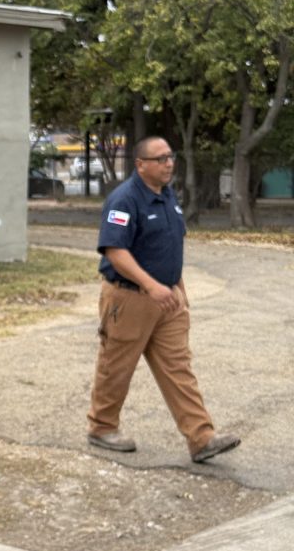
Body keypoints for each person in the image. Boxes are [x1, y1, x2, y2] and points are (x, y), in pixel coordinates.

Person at [86, 135, 240, 463]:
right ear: (140, 164)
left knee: (179, 368)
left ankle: (201, 438)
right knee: (117, 366)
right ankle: (102, 427)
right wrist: (151, 285)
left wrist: (177, 288)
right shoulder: (124, 199)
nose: (168, 163)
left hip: (168, 301)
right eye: (160, 159)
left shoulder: (168, 196)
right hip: (130, 299)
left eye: (170, 157)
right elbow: (115, 251)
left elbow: (170, 247)